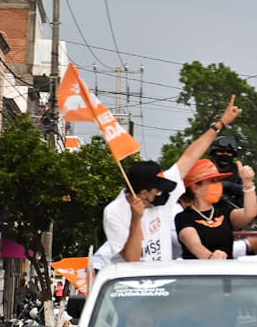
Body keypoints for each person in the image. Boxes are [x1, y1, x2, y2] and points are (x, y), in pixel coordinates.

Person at [102, 95, 242, 264]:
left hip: (164, 282)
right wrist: (136, 219)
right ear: (144, 193)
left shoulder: (163, 197)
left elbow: (190, 156)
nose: (165, 193)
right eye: (158, 190)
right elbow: (132, 259)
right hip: (135, 287)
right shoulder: (114, 212)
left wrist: (221, 124)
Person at [174, 159, 257, 259]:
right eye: (212, 181)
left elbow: (249, 214)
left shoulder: (223, 209)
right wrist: (211, 257)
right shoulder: (184, 217)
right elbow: (194, 245)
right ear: (196, 188)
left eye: (218, 181)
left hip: (225, 271)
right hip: (197, 272)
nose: (218, 185)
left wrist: (248, 183)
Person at [208, 135, 245, 208]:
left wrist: (228, 186)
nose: (225, 154)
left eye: (229, 152)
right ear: (213, 153)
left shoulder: (237, 170)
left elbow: (247, 190)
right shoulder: (205, 167)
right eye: (221, 151)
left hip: (232, 212)